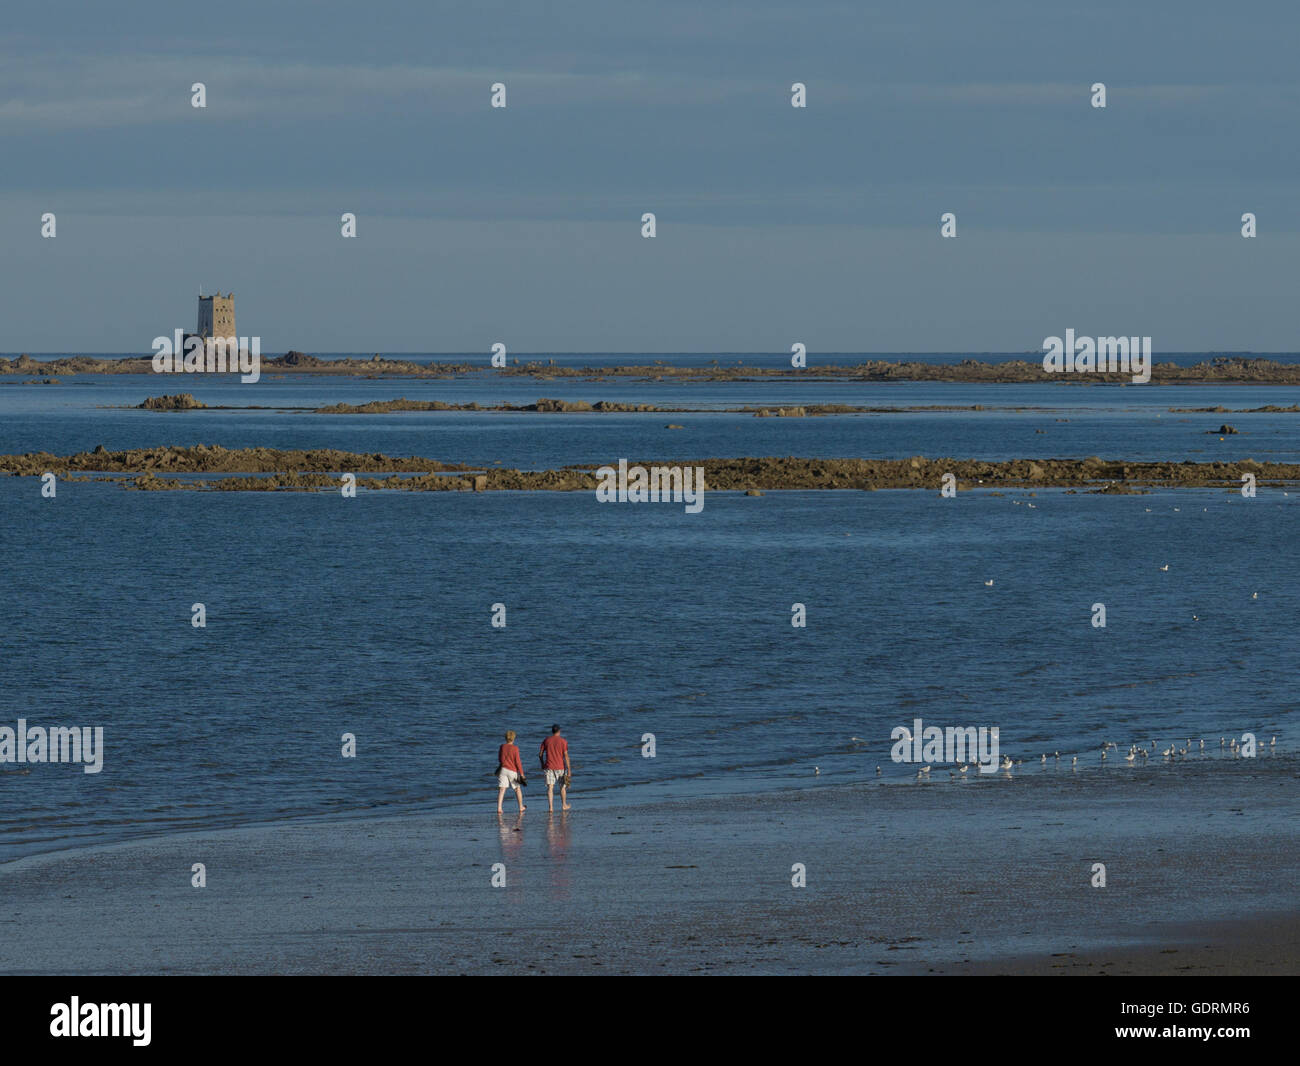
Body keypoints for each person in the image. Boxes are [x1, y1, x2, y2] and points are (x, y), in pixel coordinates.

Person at [539, 724, 571, 812]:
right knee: (562, 787)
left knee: (550, 788)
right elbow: (566, 756)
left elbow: (540, 754)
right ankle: (564, 805)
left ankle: (551, 808)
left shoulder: (546, 740)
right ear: (559, 731)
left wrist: (542, 764)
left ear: (552, 731)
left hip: (549, 766)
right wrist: (569, 770)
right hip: (560, 767)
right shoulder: (563, 741)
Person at [496, 730, 526, 814]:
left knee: (502, 789)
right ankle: (520, 807)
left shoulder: (502, 746)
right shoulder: (515, 748)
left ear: (506, 738)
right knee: (517, 789)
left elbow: (499, 759)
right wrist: (522, 773)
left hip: (503, 770)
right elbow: (518, 762)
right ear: (513, 738)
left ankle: (499, 808)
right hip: (512, 770)